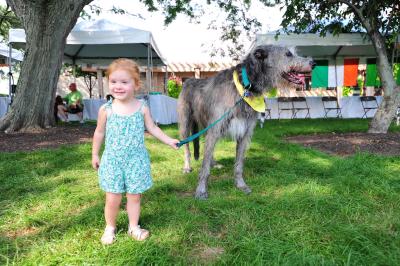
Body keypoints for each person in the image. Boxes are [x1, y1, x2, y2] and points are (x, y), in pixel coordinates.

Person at [91, 58, 179, 245]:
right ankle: (110, 227)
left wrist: (169, 140)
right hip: (113, 161)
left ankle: (133, 226)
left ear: (136, 84)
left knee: (134, 196)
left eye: (124, 82)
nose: (118, 86)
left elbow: (153, 128)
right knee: (112, 198)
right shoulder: (106, 110)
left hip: (136, 161)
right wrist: (95, 154)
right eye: (113, 82)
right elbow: (99, 132)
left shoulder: (142, 108)